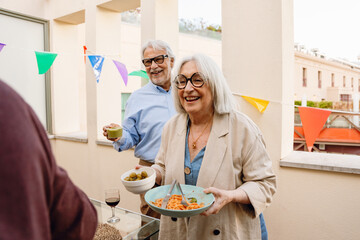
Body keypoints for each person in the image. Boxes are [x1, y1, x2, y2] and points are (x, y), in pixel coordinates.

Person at [151, 54, 277, 239]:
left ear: (215, 84)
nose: (187, 88)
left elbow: (265, 184)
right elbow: (162, 165)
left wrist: (231, 196)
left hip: (228, 231)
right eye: (182, 81)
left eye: (197, 80)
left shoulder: (242, 128)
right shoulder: (172, 126)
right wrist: (151, 174)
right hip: (180, 232)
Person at [0, 80, 98, 240]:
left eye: (155, 59)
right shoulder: (9, 106)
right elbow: (79, 221)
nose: (153, 66)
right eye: (147, 62)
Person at [103, 40, 176, 217]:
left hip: (187, 167)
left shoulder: (186, 91)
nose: (153, 66)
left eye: (159, 59)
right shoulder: (137, 98)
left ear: (171, 61)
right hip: (150, 169)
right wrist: (119, 135)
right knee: (153, 222)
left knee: (188, 220)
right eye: (148, 62)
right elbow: (131, 137)